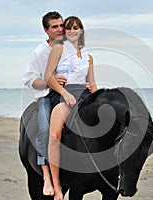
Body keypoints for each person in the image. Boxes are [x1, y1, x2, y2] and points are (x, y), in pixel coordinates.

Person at [45, 16, 97, 200]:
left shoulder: (88, 56)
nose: (72, 30)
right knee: (54, 136)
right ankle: (57, 185)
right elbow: (48, 77)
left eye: (76, 27)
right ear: (65, 32)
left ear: (81, 30)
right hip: (63, 94)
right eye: (68, 28)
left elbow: (92, 85)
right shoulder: (58, 48)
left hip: (84, 95)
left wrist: (98, 100)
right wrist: (65, 93)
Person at [23, 11, 67, 196]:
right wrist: (51, 81)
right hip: (47, 96)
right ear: (46, 30)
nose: (59, 29)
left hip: (69, 94)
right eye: (54, 26)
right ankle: (46, 176)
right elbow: (30, 80)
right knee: (44, 129)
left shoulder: (70, 47)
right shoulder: (39, 52)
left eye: (61, 25)